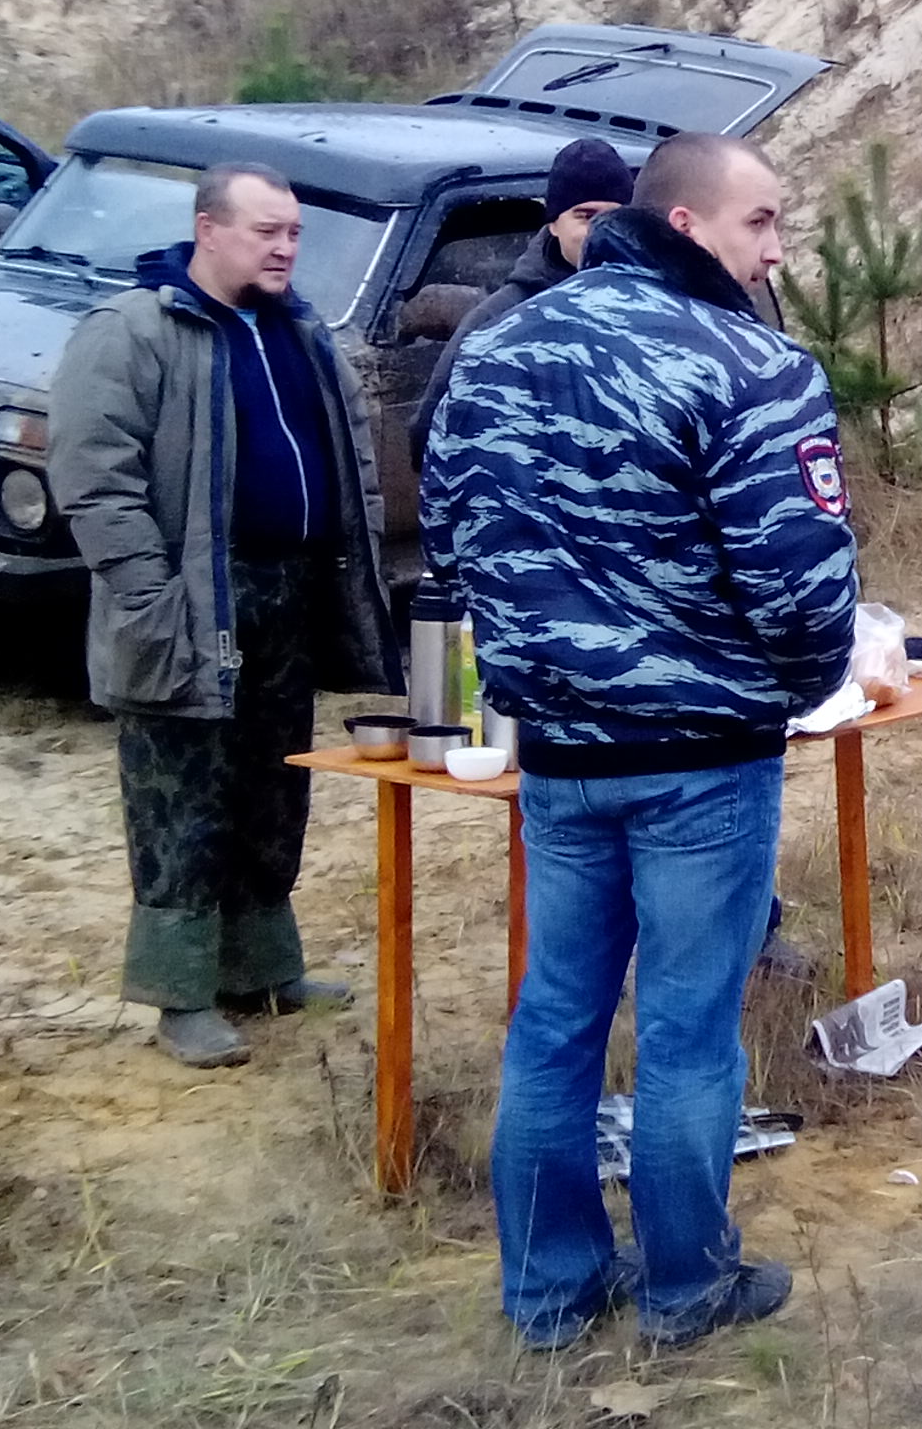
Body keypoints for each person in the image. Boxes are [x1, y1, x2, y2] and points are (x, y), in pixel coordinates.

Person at [422, 132, 858, 1348]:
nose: (778, 249)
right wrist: (786, 691)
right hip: (700, 760)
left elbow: (450, 543)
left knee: (553, 1026)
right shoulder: (752, 364)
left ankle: (549, 1293)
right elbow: (803, 587)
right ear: (685, 225)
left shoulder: (495, 351)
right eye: (760, 221)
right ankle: (684, 1288)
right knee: (685, 1034)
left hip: (560, 753)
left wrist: (542, 666)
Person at [49, 163, 398, 1069]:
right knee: (181, 797)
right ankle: (182, 997)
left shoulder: (299, 331)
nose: (285, 249)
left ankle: (263, 970)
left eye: (293, 234)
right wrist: (148, 596)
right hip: (189, 599)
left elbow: (353, 466)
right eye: (265, 231)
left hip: (287, 595)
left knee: (272, 788)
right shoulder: (135, 329)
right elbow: (93, 477)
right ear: (208, 229)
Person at [406, 136, 632, 467]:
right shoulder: (498, 319)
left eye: (614, 218)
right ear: (553, 223)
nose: (599, 232)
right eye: (585, 216)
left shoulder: (655, 310)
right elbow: (428, 435)